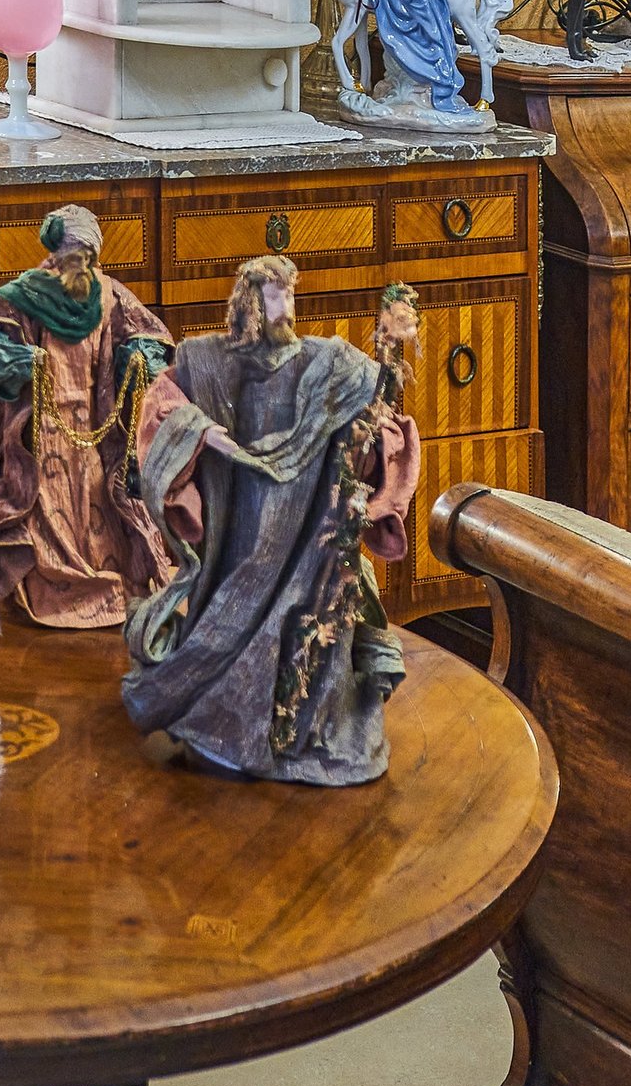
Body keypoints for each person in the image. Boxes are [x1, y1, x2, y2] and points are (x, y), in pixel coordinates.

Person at [122, 258, 420, 783]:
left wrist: (388, 361)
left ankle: (299, 727)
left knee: (306, 626)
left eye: (290, 294)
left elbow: (376, 416)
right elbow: (163, 406)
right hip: (242, 529)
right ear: (251, 302)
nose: (287, 306)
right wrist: (204, 434)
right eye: (276, 295)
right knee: (229, 621)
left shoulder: (327, 362)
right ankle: (224, 722)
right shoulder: (211, 361)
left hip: (308, 533)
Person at [0, 204, 175, 630]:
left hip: (95, 431)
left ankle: (105, 585)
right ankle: (49, 587)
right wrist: (21, 361)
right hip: (42, 433)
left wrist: (137, 357)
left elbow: (148, 336)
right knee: (44, 503)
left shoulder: (109, 295)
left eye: (86, 254)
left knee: (99, 502)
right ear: (56, 253)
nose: (80, 262)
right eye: (73, 253)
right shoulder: (23, 296)